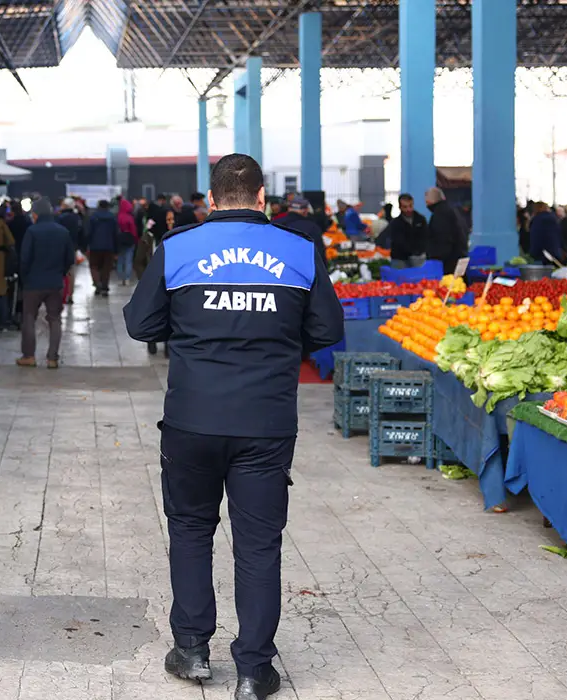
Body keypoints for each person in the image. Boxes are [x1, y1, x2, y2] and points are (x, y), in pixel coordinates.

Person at [123, 153, 343, 700]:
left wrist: (195, 331)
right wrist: (278, 342)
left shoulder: (178, 247)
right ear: (263, 197)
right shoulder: (299, 250)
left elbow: (140, 323)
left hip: (192, 419)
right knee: (259, 544)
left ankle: (193, 650)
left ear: (212, 199)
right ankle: (252, 668)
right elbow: (328, 329)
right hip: (265, 422)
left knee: (191, 531)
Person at [16, 198, 74, 368]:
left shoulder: (32, 231)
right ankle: (52, 358)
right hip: (55, 282)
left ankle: (29, 356)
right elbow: (69, 258)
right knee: (55, 319)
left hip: (33, 283)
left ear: (35, 214)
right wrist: (60, 273)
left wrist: (25, 278)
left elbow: (25, 259)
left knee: (28, 318)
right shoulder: (63, 232)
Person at [425, 187, 468, 272]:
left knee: (450, 283)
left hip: (448, 262)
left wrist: (434, 256)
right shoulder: (453, 210)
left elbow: (442, 239)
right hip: (460, 255)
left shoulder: (440, 214)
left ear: (430, 201)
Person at [385, 194, 429, 269]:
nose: (408, 209)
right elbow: (398, 241)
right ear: (400, 207)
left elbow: (425, 237)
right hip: (400, 259)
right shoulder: (395, 223)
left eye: (410, 206)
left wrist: (420, 252)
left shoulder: (421, 220)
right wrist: (411, 251)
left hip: (418, 258)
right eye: (405, 207)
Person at [87, 200, 119, 295]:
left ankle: (97, 284)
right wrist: (116, 249)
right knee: (106, 267)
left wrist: (86, 245)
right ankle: (105, 286)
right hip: (109, 246)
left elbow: (88, 232)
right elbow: (116, 234)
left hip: (94, 246)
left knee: (94, 266)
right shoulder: (112, 217)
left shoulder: (93, 217)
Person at [115, 198, 138, 286]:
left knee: (120, 259)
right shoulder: (130, 218)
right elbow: (134, 231)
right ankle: (127, 278)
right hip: (129, 240)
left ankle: (120, 278)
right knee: (128, 260)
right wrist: (135, 240)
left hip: (120, 240)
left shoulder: (118, 217)